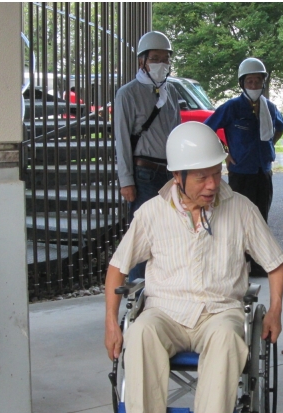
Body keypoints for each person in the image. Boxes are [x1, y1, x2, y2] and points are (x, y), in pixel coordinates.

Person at [104, 122, 283, 413]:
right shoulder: (152, 213)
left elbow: (275, 263)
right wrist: (111, 322)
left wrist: (275, 311)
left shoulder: (241, 209)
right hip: (165, 311)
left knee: (227, 338)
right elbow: (118, 268)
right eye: (202, 177)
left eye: (216, 173)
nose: (212, 184)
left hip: (219, 311)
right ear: (177, 176)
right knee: (140, 332)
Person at [205, 57, 283, 277]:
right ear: (242, 83)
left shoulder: (270, 108)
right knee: (239, 219)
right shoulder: (232, 107)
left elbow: (280, 127)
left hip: (263, 171)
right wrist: (224, 151)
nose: (254, 85)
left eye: (258, 81)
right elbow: (207, 128)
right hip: (241, 172)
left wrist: (269, 144)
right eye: (249, 81)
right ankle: (238, 264)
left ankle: (259, 264)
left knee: (261, 218)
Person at [113, 31, 182, 283]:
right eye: (155, 58)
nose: (161, 64)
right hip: (143, 174)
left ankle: (162, 290)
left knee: (170, 234)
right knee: (142, 236)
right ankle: (137, 295)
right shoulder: (128, 93)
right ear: (141, 60)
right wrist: (126, 181)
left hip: (169, 174)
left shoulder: (170, 92)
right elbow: (122, 139)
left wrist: (181, 173)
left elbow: (176, 134)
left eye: (165, 59)